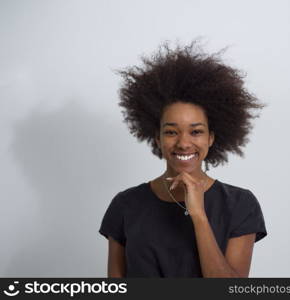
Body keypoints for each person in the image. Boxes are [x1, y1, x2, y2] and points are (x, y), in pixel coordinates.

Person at [99, 39, 268, 278]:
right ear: (157, 138)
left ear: (211, 138)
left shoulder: (239, 204)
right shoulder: (126, 205)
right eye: (171, 131)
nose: (183, 142)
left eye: (196, 131)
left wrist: (198, 215)